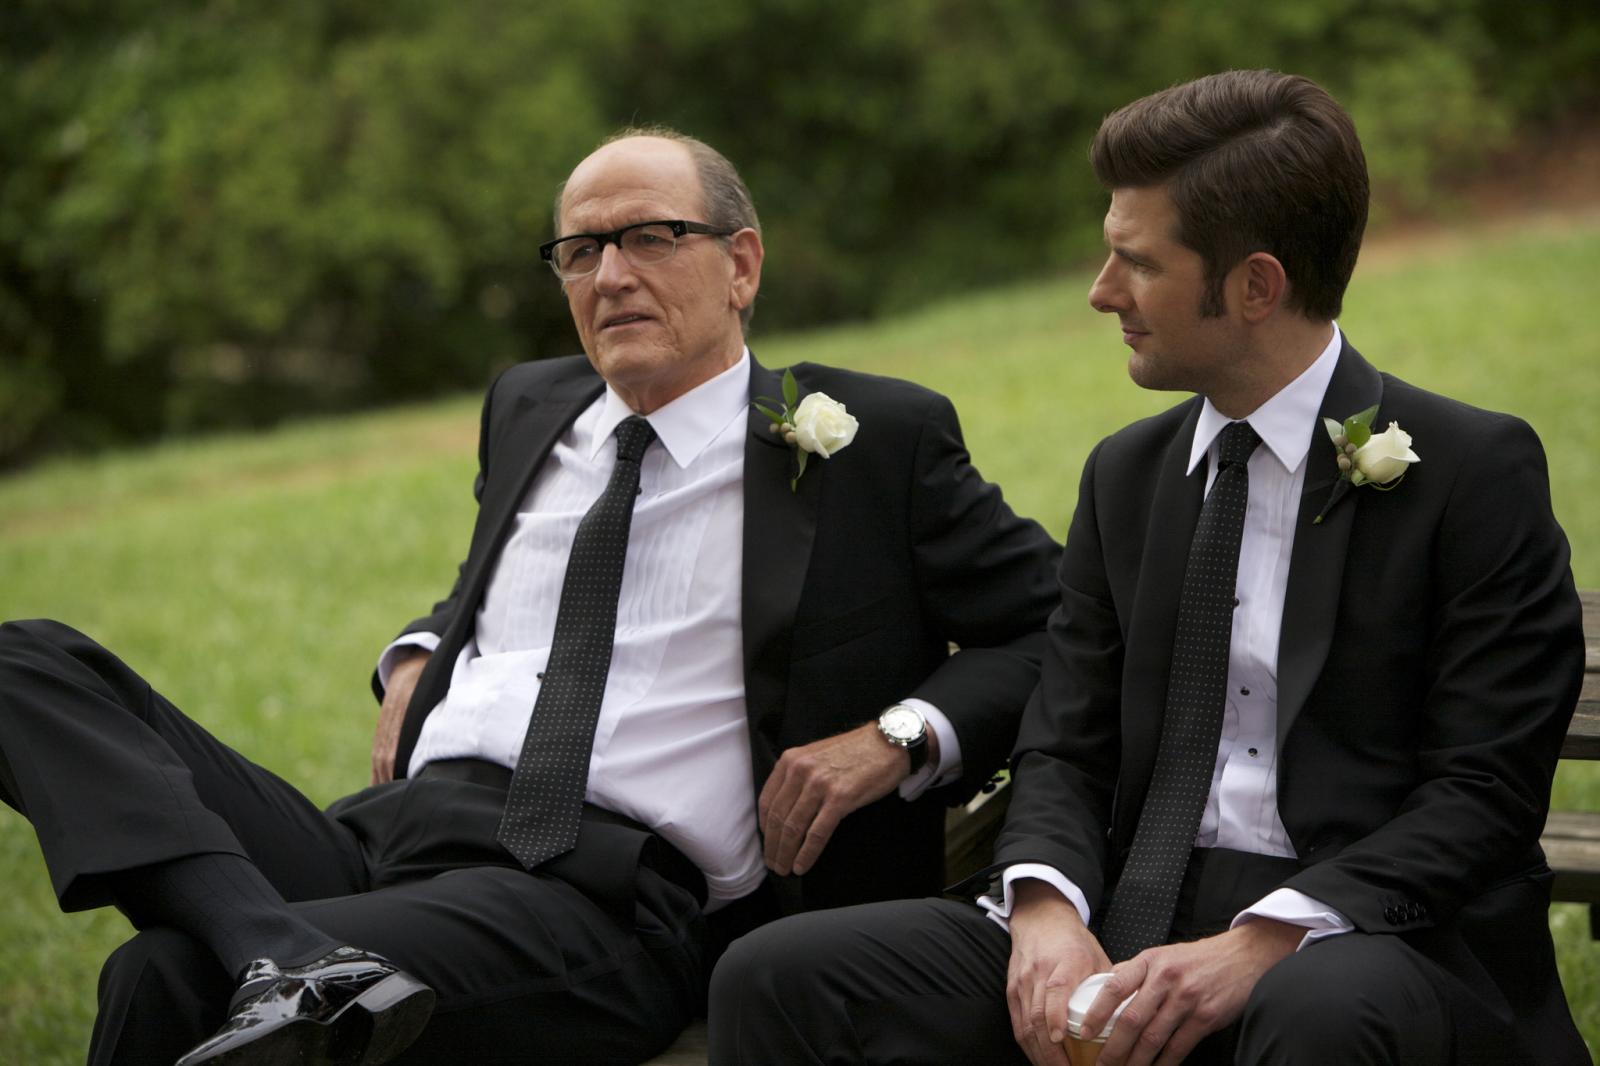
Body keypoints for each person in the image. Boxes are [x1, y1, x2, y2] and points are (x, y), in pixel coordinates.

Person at [0, 128, 1061, 1065]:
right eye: (580, 251)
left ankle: (271, 948)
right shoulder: (529, 404)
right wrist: (420, 646)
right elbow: (509, 590)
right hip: (389, 837)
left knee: (164, 974)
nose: (610, 275)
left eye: (650, 238)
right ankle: (277, 944)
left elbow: (1062, 622)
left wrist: (899, 735)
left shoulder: (868, 442)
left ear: (741, 265)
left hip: (597, 892)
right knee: (27, 661)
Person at [707, 70, 1588, 1066]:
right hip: (1129, 911)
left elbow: (1483, 792)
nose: (1100, 291)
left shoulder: (1470, 472)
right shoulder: (1125, 476)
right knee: (780, 977)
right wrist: (1045, 906)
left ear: (1255, 286)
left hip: (1366, 937)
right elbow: (1064, 744)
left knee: (1317, 1013)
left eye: (1135, 261)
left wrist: (1262, 942)